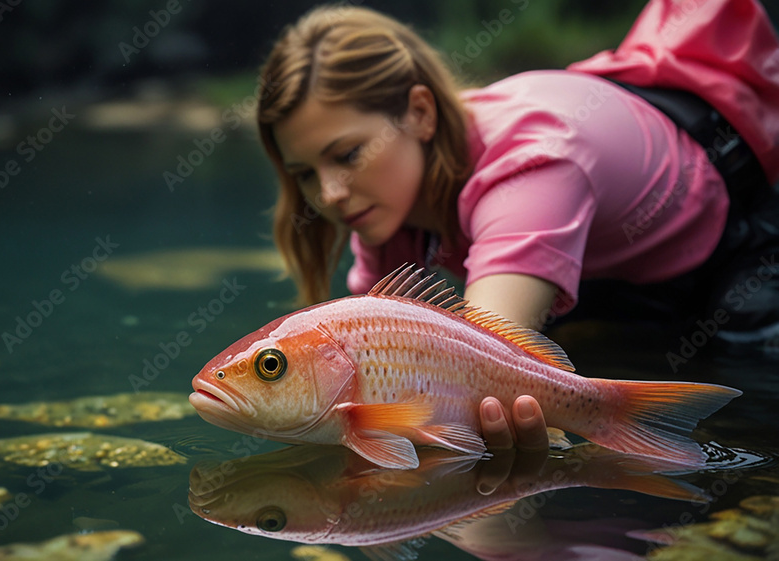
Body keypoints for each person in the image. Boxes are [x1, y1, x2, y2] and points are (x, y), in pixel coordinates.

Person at [254, 0, 779, 450]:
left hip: (739, 241)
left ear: (418, 113)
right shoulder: (381, 206)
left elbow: (484, 366)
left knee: (745, 361)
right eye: (304, 174)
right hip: (608, 266)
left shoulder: (533, 166)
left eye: (347, 154)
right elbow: (374, 387)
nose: (329, 194)